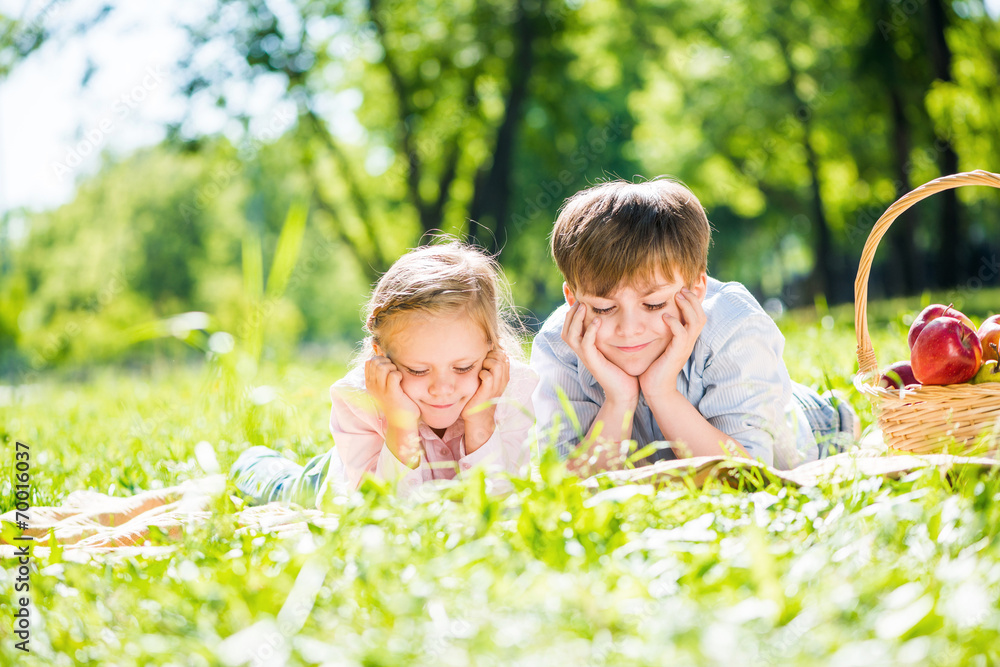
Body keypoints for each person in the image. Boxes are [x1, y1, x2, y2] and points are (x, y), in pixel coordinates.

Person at [529, 178, 858, 473]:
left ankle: (830, 409)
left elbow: (746, 477)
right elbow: (565, 486)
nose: (628, 329)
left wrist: (661, 392)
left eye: (654, 304)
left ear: (696, 291)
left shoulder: (733, 325)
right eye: (604, 307)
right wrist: (619, 399)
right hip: (674, 450)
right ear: (572, 299)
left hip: (805, 426)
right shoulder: (560, 344)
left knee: (819, 416)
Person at [231, 242, 537, 505]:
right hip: (337, 482)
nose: (442, 388)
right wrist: (400, 423)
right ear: (382, 357)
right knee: (285, 487)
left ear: (491, 350)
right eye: (418, 370)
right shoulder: (358, 399)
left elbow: (501, 503)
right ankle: (253, 462)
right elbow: (385, 509)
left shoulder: (513, 391)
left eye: (463, 367)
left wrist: (480, 421)